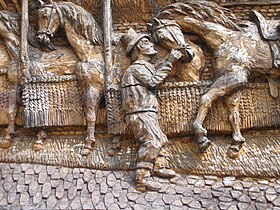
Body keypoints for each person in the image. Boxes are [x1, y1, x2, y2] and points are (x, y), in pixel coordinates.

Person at [121, 28, 182, 191]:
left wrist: (170, 60)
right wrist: (169, 61)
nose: (151, 45)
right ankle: (142, 179)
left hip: (147, 111)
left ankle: (159, 166)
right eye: (147, 42)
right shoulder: (136, 68)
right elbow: (154, 82)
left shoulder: (146, 67)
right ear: (140, 47)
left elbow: (156, 73)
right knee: (152, 142)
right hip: (139, 113)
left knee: (162, 140)